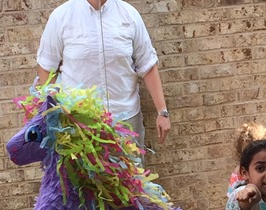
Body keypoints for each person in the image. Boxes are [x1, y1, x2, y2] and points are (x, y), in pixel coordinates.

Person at [35, 0, 171, 156]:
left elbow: (147, 65)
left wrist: (162, 112)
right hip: (79, 127)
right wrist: (54, 113)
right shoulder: (61, 17)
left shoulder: (129, 15)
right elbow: (46, 67)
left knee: (132, 172)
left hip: (126, 121)